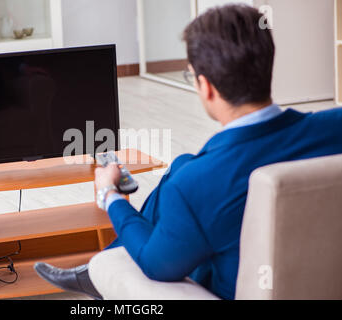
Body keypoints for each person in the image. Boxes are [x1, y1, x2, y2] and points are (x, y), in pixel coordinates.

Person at [34, 4, 342, 300]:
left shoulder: (198, 185)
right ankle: (93, 270)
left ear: (205, 86)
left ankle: (100, 266)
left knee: (181, 182)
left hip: (236, 286)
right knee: (181, 164)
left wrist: (109, 195)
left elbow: (156, 265)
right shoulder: (333, 127)